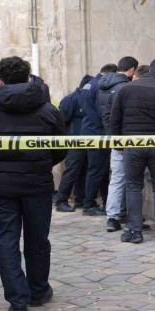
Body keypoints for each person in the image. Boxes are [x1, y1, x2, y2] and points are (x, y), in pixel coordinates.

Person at [0, 56, 66, 311]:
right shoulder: (47, 110)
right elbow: (61, 148)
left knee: (5, 242)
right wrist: (42, 164)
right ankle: (38, 291)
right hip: (37, 184)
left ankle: (18, 299)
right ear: (28, 76)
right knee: (38, 239)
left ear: (0, 79)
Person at [110, 58, 155, 244]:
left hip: (132, 145)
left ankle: (134, 231)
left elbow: (114, 119)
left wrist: (118, 145)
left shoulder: (126, 89)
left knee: (133, 186)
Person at [100, 57, 138, 233]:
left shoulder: (101, 86)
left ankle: (112, 217)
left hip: (113, 139)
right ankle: (130, 217)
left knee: (116, 179)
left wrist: (115, 140)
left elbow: (106, 116)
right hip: (127, 139)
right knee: (134, 180)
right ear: (131, 70)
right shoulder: (126, 88)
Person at [80, 63, 117, 216]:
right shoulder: (100, 86)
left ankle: (104, 201)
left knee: (99, 169)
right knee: (96, 170)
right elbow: (102, 111)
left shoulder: (89, 84)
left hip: (89, 130)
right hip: (98, 132)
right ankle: (89, 204)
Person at [53, 75, 93, 212]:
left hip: (86, 140)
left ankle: (80, 199)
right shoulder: (71, 99)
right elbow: (61, 121)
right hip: (74, 141)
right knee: (72, 170)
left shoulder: (83, 98)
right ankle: (61, 200)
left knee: (83, 170)